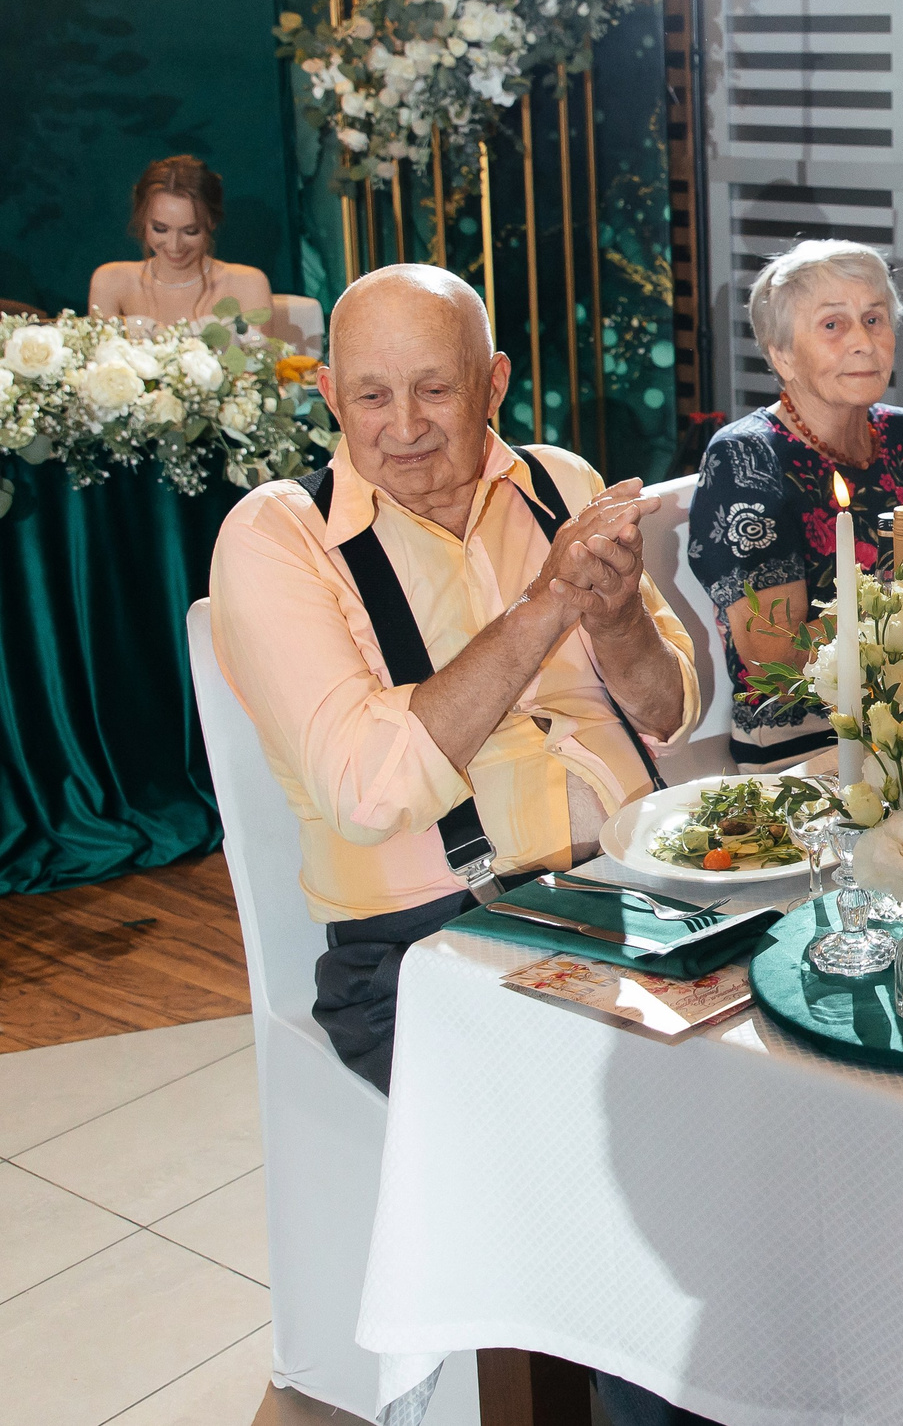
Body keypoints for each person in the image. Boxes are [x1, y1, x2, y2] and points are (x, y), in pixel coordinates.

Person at [208, 264, 699, 1094]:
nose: (405, 426)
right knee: (627, 1108)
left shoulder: (560, 484)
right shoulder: (277, 535)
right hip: (430, 946)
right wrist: (544, 607)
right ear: (328, 393)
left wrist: (617, 620)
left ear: (493, 381)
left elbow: (672, 712)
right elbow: (369, 791)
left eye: (435, 388)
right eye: (371, 397)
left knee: (807, 1032)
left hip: (634, 890)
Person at [687, 240, 903, 769]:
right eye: (833, 325)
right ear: (781, 353)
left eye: (874, 318)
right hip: (814, 747)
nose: (863, 343)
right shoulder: (747, 459)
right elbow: (773, 659)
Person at [88, 154, 274, 330]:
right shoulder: (111, 282)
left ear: (212, 222)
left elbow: (257, 360)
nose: (174, 245)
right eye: (160, 229)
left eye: (190, 231)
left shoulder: (247, 285)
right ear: (142, 219)